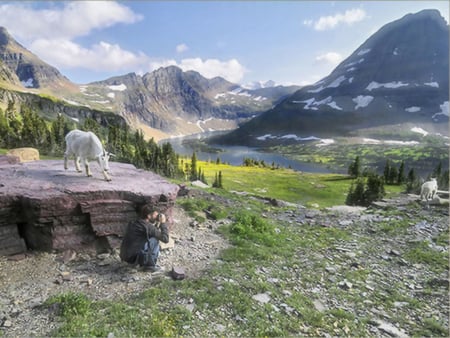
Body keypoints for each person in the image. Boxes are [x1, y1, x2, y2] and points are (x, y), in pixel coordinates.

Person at [120, 204, 169, 272]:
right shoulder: (147, 227)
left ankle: (138, 261)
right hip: (133, 259)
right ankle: (150, 266)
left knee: (151, 237)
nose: (157, 217)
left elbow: (150, 231)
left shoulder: (135, 222)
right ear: (149, 216)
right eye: (155, 215)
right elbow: (165, 239)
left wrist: (157, 223)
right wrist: (163, 223)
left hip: (125, 256)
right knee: (155, 240)